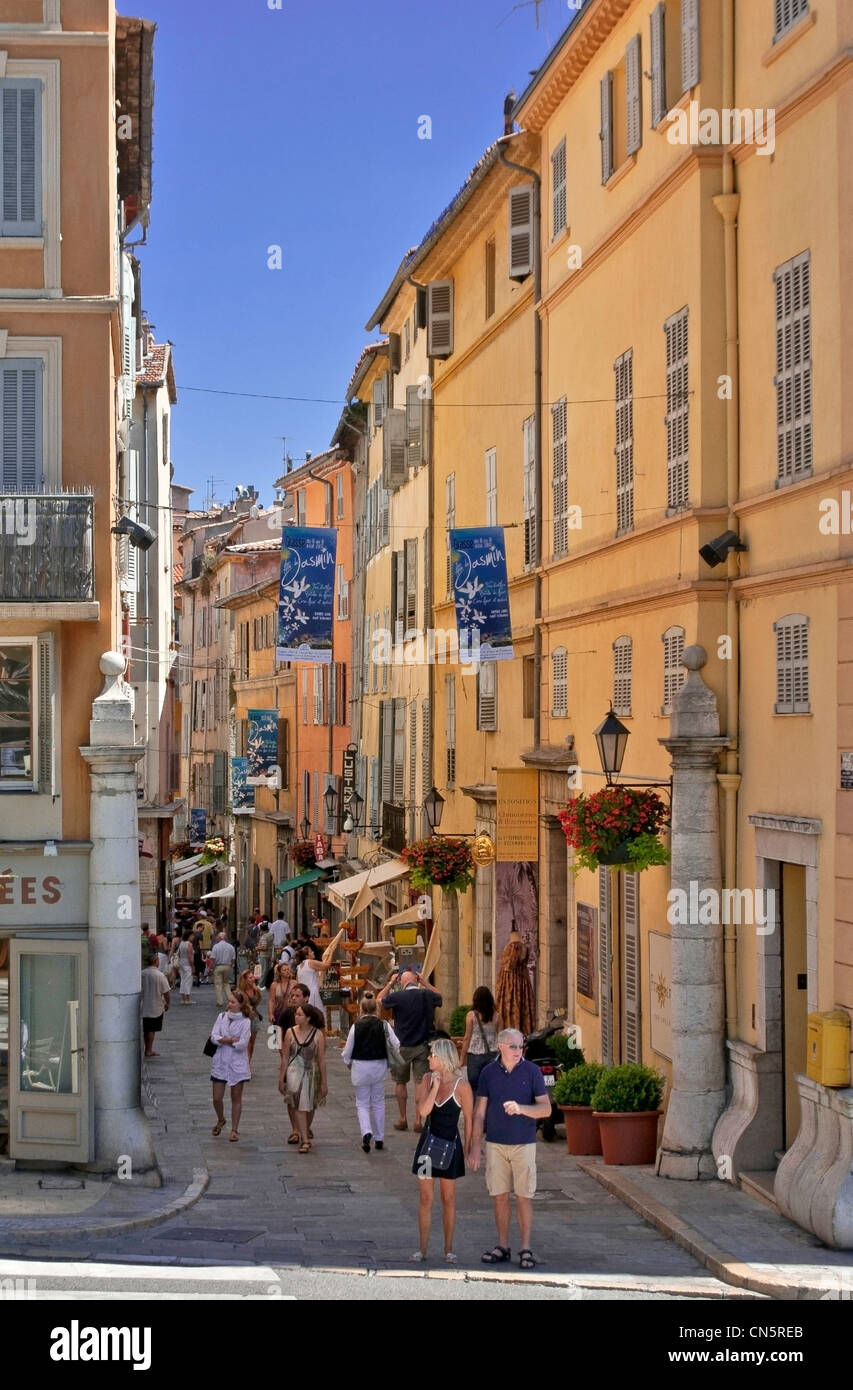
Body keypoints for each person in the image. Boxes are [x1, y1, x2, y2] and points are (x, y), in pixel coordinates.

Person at [469, 1028, 551, 1270]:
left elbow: (545, 1109)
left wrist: (522, 1109)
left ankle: (525, 1248)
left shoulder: (532, 1071)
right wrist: (475, 1146)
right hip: (495, 1144)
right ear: (501, 1047)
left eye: (521, 1046)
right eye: (513, 1046)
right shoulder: (488, 1073)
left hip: (524, 1143)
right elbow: (479, 1112)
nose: (518, 1051)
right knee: (499, 1196)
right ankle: (503, 1246)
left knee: (524, 1196)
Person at [410, 1038, 473, 1264]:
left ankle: (448, 1249)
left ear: (443, 1058)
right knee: (426, 1198)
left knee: (449, 1198)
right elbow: (424, 1111)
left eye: (432, 1055)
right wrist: (435, 1086)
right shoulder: (427, 1079)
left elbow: (469, 1119)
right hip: (428, 1147)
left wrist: (470, 1148)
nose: (428, 1058)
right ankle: (422, 1249)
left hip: (450, 1147)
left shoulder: (462, 1086)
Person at [376, 969, 442, 1132]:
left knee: (400, 1082)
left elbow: (379, 1000)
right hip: (422, 1044)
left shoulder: (397, 997)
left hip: (402, 1045)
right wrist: (425, 982)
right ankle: (418, 1119)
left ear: (402, 982)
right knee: (420, 1082)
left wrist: (390, 983)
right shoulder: (426, 995)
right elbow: (439, 995)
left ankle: (402, 1118)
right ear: (416, 980)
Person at [341, 992, 400, 1153]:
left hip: (360, 1066)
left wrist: (347, 1062)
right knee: (378, 1101)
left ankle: (366, 1131)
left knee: (362, 1103)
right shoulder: (384, 1025)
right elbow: (396, 1043)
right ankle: (379, 1138)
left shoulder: (356, 1026)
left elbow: (348, 1049)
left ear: (361, 1008)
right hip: (379, 1065)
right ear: (377, 1008)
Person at [278, 1003, 327, 1153]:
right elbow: (285, 1057)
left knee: (310, 1105)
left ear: (308, 1018)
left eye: (299, 1015)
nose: (296, 1017)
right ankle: (305, 1139)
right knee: (298, 1104)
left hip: (312, 1072)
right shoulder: (289, 1033)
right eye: (296, 1014)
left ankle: (305, 1129)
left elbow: (321, 1059)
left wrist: (324, 1082)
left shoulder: (318, 1034)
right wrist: (281, 1078)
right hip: (294, 1072)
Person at [210, 989, 253, 1142]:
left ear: (241, 1005)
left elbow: (242, 1043)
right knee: (216, 1097)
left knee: (236, 1097)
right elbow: (214, 1036)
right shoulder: (221, 1017)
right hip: (221, 1061)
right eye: (229, 1001)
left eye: (233, 1002)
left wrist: (224, 1040)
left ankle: (234, 1129)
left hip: (237, 1063)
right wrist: (228, 1040)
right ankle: (221, 1118)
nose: (229, 1004)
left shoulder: (246, 1021)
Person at [459, 987, 502, 1095]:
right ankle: (489, 1110)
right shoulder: (498, 1017)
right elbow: (501, 1039)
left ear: (475, 1000)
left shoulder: (471, 1016)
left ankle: (474, 1110)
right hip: (492, 1055)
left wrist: (461, 1059)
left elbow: (467, 1038)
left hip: (474, 1056)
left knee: (474, 1088)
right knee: (490, 1087)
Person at [495, 928, 535, 1037]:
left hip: (511, 983)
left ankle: (512, 1035)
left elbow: (510, 966)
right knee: (518, 1007)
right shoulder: (523, 947)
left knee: (512, 1007)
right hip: (520, 982)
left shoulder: (515, 947)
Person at [141, 957, 170, 1057]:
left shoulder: (142, 974)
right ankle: (149, 1049)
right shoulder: (160, 975)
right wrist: (167, 1003)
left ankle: (147, 1048)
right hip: (156, 1005)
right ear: (156, 962)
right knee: (151, 1029)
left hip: (144, 1005)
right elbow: (166, 992)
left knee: (146, 1029)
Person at [295, 946, 329, 1021]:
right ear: (307, 955)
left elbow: (298, 983)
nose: (313, 952)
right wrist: (330, 954)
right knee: (318, 1016)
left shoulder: (299, 966)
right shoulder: (310, 962)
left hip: (304, 994)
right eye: (311, 951)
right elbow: (326, 966)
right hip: (313, 993)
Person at [237, 968, 263, 1063]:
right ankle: (245, 1063)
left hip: (254, 1018)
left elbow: (258, 1001)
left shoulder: (255, 989)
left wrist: (257, 991)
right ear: (245, 980)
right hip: (244, 1018)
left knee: (252, 1043)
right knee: (246, 1043)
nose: (253, 979)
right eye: (250, 978)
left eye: (253, 977)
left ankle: (248, 1062)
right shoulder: (240, 992)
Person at [210, 930, 236, 1007]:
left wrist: (211, 968)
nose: (217, 938)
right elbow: (233, 959)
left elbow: (213, 959)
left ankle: (220, 1002)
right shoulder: (231, 946)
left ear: (220, 938)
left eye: (218, 937)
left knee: (218, 985)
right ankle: (230, 999)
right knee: (226, 983)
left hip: (218, 966)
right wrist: (231, 965)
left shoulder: (216, 946)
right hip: (228, 966)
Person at [267, 962, 293, 1027]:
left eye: (288, 969)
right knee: (278, 1035)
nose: (287, 971)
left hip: (291, 1013)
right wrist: (271, 1014)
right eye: (284, 970)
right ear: (280, 973)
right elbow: (271, 1001)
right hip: (278, 1013)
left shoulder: (294, 983)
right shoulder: (274, 985)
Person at [173, 928, 195, 1004]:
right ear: (189, 936)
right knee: (188, 981)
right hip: (187, 964)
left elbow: (178, 954)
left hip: (181, 963)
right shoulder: (189, 944)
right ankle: (187, 999)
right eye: (192, 935)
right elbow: (190, 957)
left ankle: (183, 998)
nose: (193, 937)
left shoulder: (181, 943)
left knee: (183, 980)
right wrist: (193, 966)